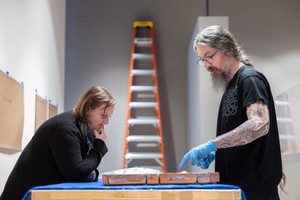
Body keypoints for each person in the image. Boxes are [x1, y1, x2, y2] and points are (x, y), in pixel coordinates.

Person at [179, 25, 285, 200]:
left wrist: (213, 144)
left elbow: (259, 125)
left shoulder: (249, 79)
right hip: (238, 191)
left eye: (209, 57)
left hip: (255, 193)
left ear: (226, 49)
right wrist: (218, 151)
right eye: (201, 60)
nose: (206, 65)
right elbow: (240, 135)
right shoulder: (231, 86)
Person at [0, 86, 116, 200]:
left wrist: (90, 170)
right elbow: (78, 172)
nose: (106, 122)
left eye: (109, 117)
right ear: (87, 109)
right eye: (103, 115)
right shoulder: (65, 127)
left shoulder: (80, 128)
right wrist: (99, 146)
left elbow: (83, 168)